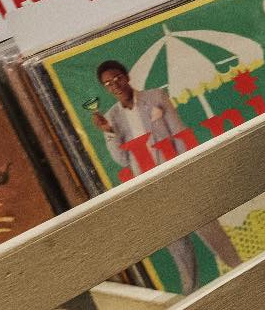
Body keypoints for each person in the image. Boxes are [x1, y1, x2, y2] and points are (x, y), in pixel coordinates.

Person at [91, 59, 241, 288]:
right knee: (177, 246)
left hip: (178, 177)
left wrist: (188, 173)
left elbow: (179, 133)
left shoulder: (155, 97)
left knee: (211, 233)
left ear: (127, 76)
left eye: (118, 78)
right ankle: (191, 297)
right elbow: (122, 160)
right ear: (106, 89)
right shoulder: (111, 118)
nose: (115, 85)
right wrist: (109, 132)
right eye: (109, 84)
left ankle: (241, 270)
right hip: (152, 190)